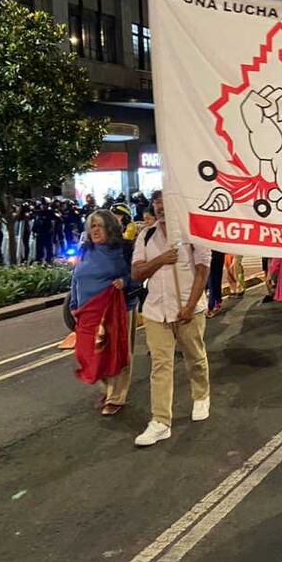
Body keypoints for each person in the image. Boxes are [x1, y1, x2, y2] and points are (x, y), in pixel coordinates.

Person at [130, 191, 212, 447]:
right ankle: (161, 421)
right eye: (157, 204)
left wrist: (189, 306)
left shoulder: (192, 233)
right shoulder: (146, 235)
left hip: (188, 309)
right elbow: (136, 272)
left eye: (165, 204)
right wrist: (160, 259)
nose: (161, 208)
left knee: (195, 357)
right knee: (160, 365)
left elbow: (202, 272)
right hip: (156, 311)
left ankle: (201, 395)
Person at [69, 210, 133, 416]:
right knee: (86, 352)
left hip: (113, 310)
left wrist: (125, 281)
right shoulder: (85, 250)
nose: (95, 230)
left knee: (115, 351)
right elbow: (75, 278)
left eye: (99, 226)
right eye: (92, 226)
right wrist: (73, 302)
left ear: (109, 227)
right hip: (87, 310)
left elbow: (138, 273)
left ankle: (116, 396)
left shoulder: (122, 249)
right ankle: (107, 388)